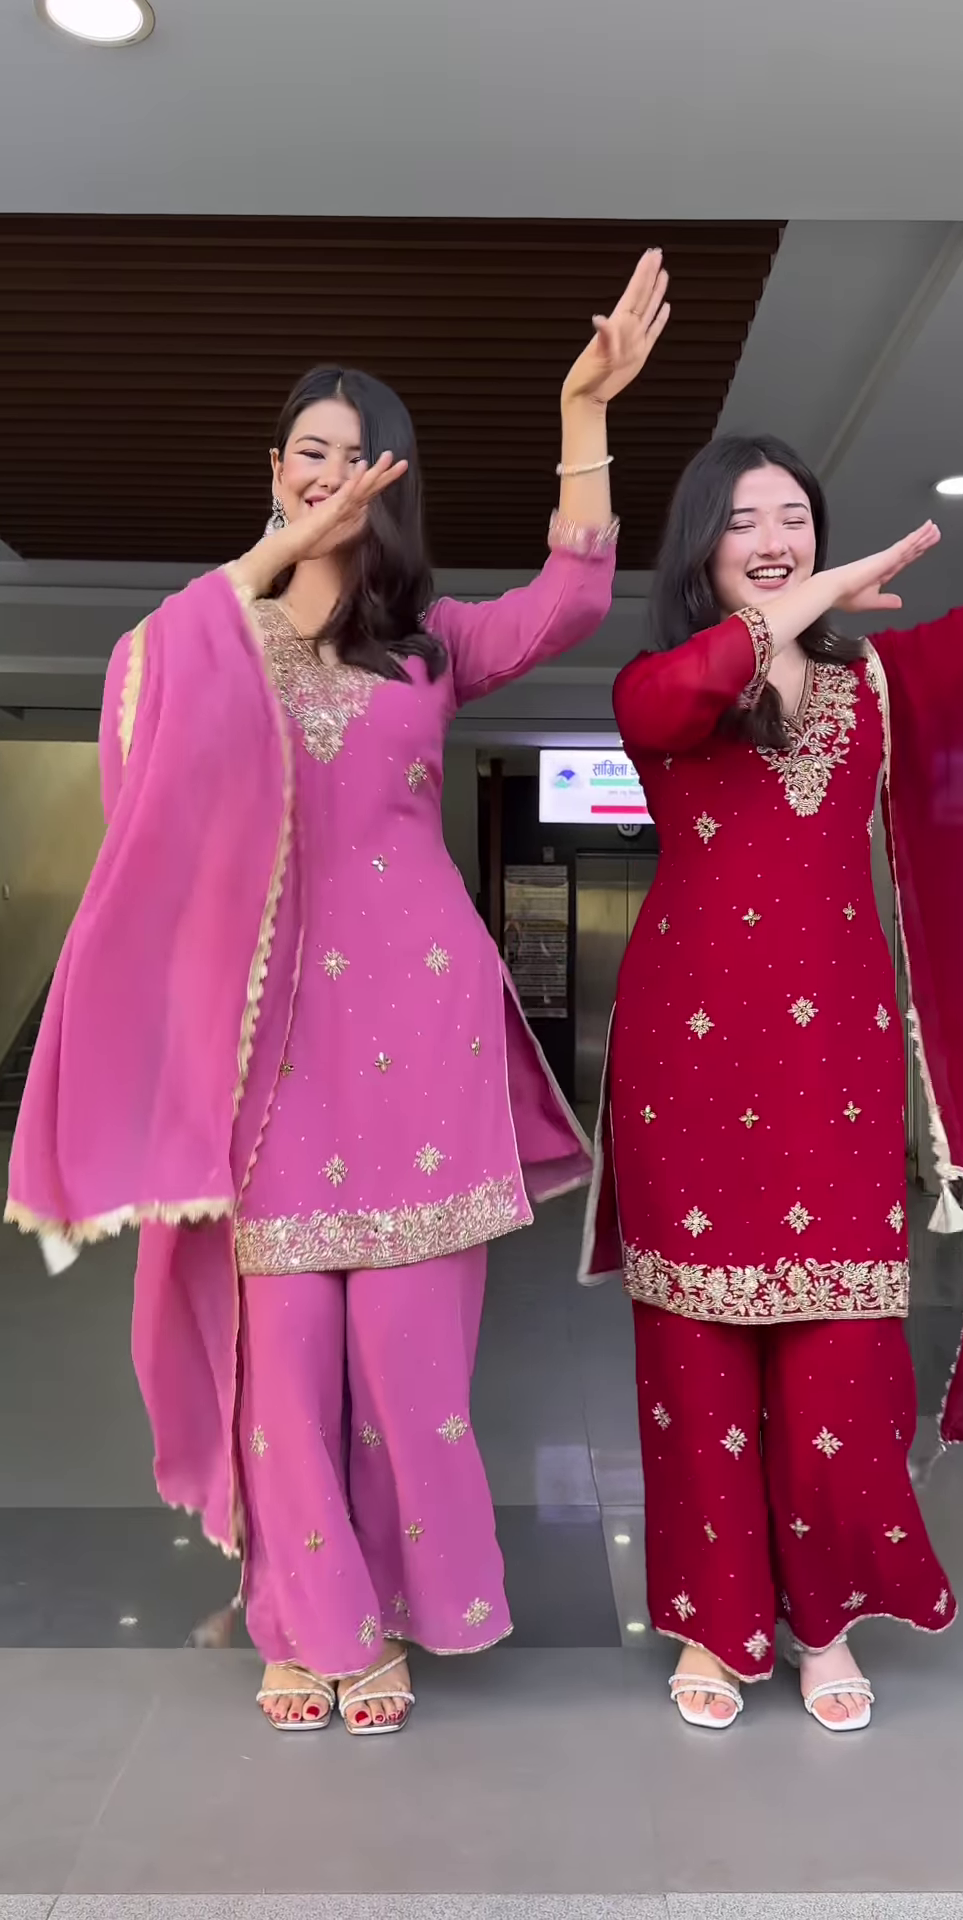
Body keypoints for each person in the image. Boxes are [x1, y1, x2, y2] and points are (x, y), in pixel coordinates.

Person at [6, 252, 671, 1734]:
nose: (326, 473)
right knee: (287, 1368)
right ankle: (312, 1625)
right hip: (270, 1055)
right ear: (274, 473)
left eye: (355, 455)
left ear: (391, 484)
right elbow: (139, 723)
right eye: (305, 451)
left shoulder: (429, 647)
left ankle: (403, 1610)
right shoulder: (210, 643)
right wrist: (257, 573)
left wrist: (583, 414)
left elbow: (571, 598)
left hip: (423, 1040)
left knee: (411, 1365)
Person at [580, 432, 963, 1733]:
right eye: (743, 520)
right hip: (689, 1052)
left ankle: (828, 1617)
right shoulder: (660, 683)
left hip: (834, 1057)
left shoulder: (879, 686)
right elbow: (666, 710)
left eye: (793, 517)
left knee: (843, 1354)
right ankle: (716, 1618)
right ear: (701, 546)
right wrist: (795, 611)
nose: (774, 539)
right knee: (696, 1348)